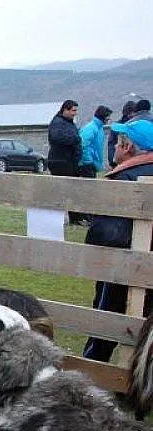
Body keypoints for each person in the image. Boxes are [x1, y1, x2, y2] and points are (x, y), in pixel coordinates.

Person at [82, 119, 153, 362]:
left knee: (106, 321)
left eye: (117, 143)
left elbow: (106, 234)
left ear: (128, 147)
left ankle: (94, 370)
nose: (113, 147)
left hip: (122, 267)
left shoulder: (123, 180)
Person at [47, 100, 81, 177]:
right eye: (74, 110)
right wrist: (76, 139)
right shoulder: (58, 123)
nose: (75, 113)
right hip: (61, 163)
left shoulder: (68, 122)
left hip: (69, 162)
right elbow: (58, 137)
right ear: (65, 110)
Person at [78, 105, 112, 178]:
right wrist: (88, 162)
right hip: (87, 165)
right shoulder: (90, 128)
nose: (109, 119)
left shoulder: (99, 128)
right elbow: (83, 145)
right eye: (108, 116)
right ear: (103, 116)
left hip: (92, 164)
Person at [108, 101, 136, 168]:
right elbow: (111, 145)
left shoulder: (117, 126)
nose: (132, 114)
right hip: (123, 160)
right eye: (130, 112)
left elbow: (111, 144)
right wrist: (112, 162)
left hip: (131, 160)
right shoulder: (117, 127)